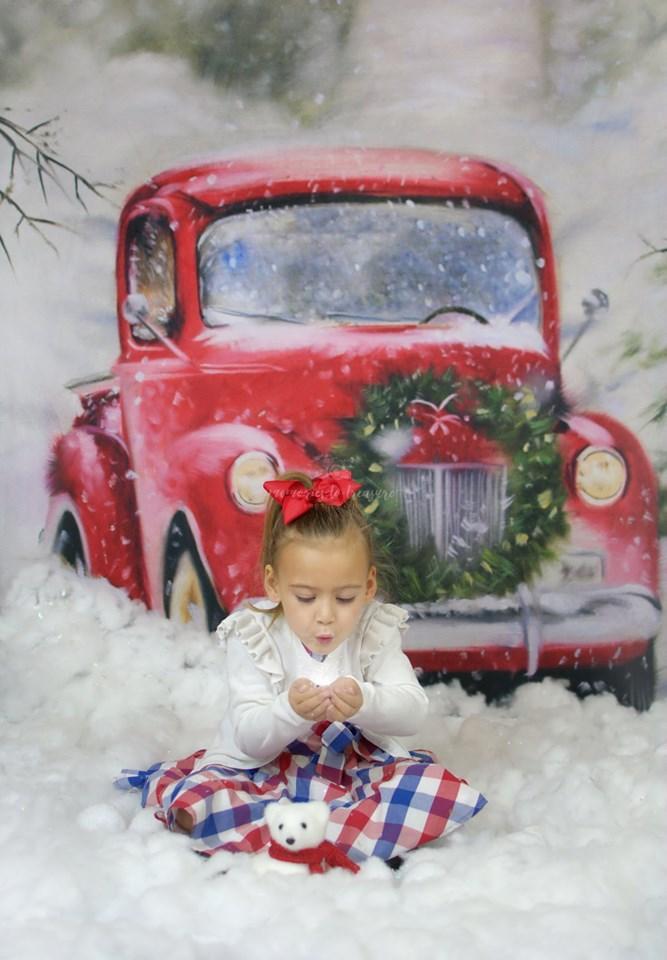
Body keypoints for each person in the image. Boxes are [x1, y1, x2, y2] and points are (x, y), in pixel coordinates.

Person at [115, 469, 486, 865]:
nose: (325, 617)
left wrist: (365, 702)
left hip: (351, 766)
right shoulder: (253, 634)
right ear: (274, 585)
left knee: (428, 788)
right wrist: (289, 711)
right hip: (263, 765)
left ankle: (320, 832)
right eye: (306, 597)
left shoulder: (374, 629)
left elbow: (412, 712)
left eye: (345, 597)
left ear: (369, 585)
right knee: (204, 800)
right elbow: (249, 737)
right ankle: (315, 832)